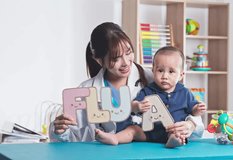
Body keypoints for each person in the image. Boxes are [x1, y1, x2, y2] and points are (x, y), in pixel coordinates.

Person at [49, 22, 204, 142]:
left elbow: (185, 107)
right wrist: (60, 131)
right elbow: (71, 138)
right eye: (115, 58)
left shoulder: (154, 77)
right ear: (98, 60)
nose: (125, 63)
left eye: (128, 52)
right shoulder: (86, 90)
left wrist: (190, 125)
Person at [95, 46, 206, 148]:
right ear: (153, 70)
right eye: (160, 70)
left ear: (181, 75)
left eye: (171, 71)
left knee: (178, 134)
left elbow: (193, 111)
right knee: (133, 130)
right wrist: (138, 106)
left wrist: (197, 109)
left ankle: (174, 141)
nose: (164, 76)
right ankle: (115, 138)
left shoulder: (184, 92)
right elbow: (132, 106)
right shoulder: (148, 90)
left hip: (171, 129)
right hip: (148, 132)